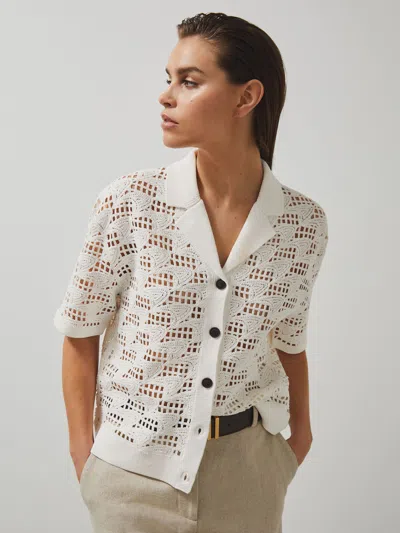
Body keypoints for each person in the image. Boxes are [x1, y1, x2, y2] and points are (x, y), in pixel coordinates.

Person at [54, 11, 329, 533]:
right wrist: (84, 456)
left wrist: (299, 438)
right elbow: (80, 331)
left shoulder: (303, 223)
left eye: (189, 81)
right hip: (130, 478)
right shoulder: (130, 202)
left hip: (249, 476)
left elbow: (289, 341)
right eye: (169, 79)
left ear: (246, 98)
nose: (166, 96)